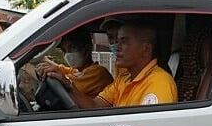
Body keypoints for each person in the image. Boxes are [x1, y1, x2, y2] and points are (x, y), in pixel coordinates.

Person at [42, 21, 176, 109]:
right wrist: (68, 85)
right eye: (116, 41)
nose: (117, 47)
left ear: (146, 49)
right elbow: (95, 106)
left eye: (124, 42)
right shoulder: (124, 79)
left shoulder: (159, 83)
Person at [35, 30, 113, 98]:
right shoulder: (77, 71)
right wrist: (38, 58)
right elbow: (58, 68)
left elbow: (65, 82)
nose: (67, 54)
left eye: (72, 48)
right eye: (64, 50)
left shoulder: (97, 72)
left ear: (87, 48)